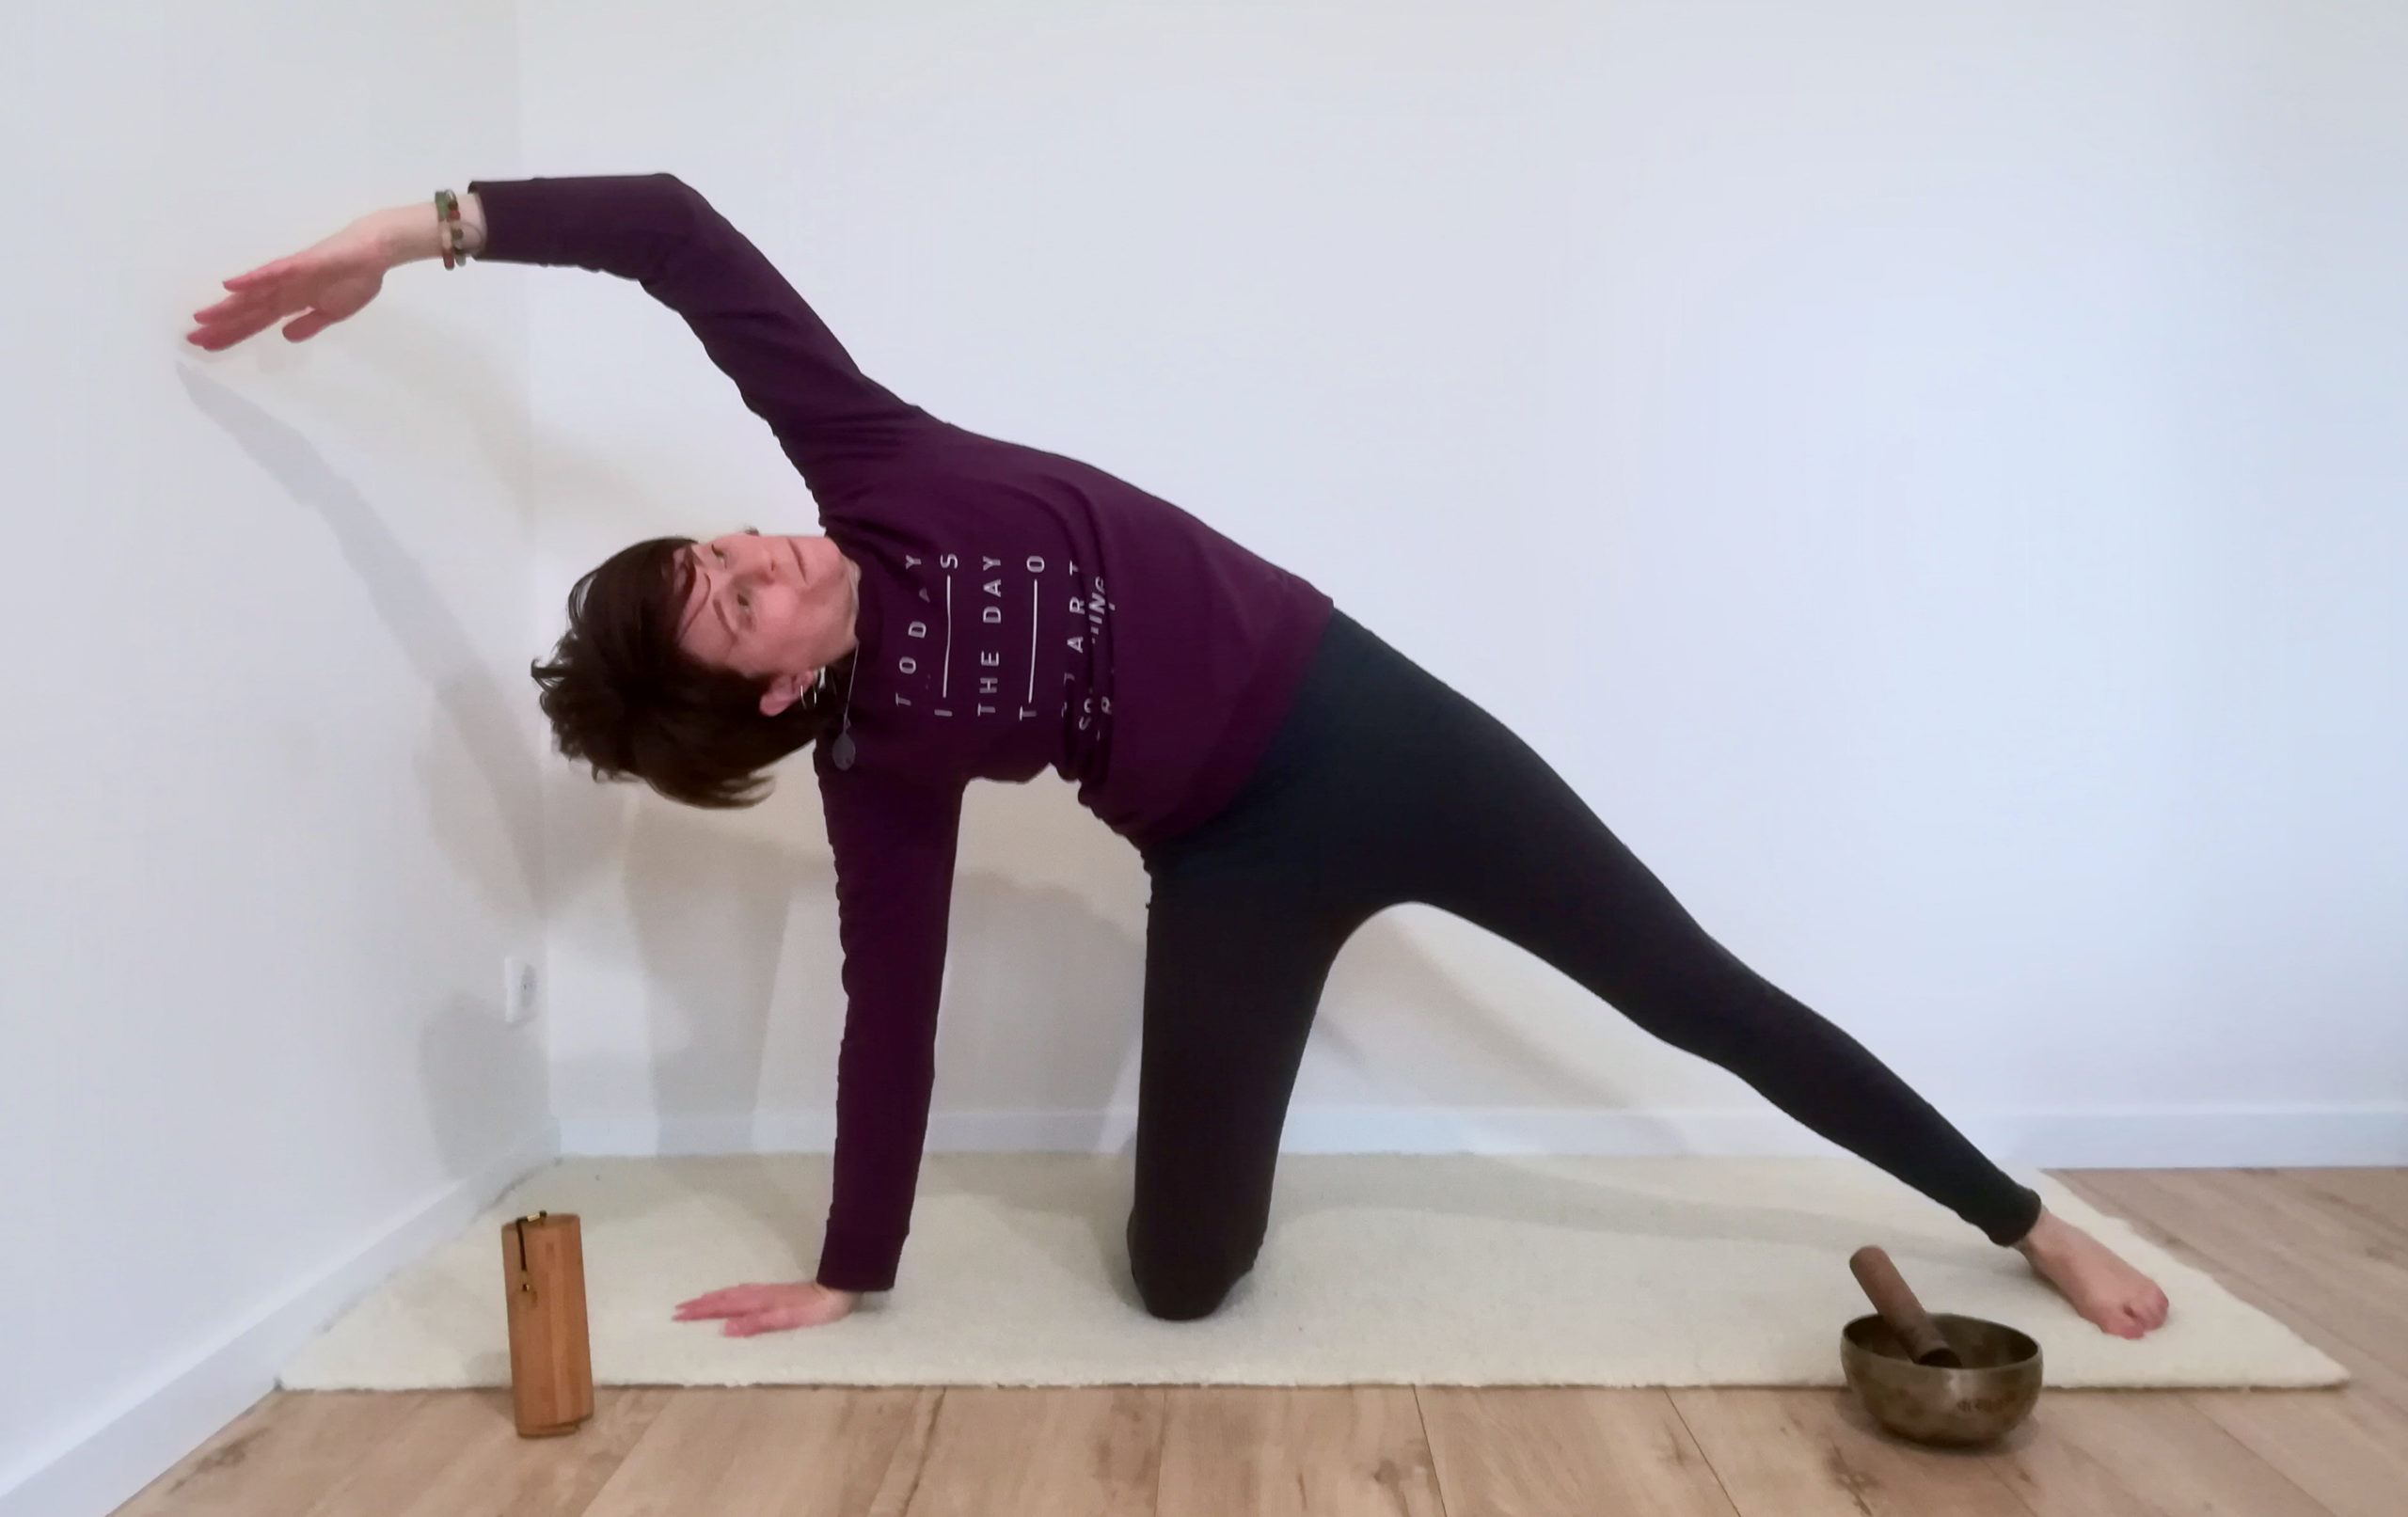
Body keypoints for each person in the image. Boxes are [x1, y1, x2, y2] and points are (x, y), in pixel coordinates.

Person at [188, 173, 2172, 1342]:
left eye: (722, 550)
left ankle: (2019, 1217)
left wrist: (418, 233)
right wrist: (852, 1274)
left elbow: (677, 237)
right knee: (1180, 1285)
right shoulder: (879, 774)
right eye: (730, 604)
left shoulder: (870, 460)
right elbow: (891, 1020)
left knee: (1683, 986)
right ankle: (1223, 1157)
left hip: (1375, 726)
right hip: (1230, 860)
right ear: (772, 696)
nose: (757, 556)